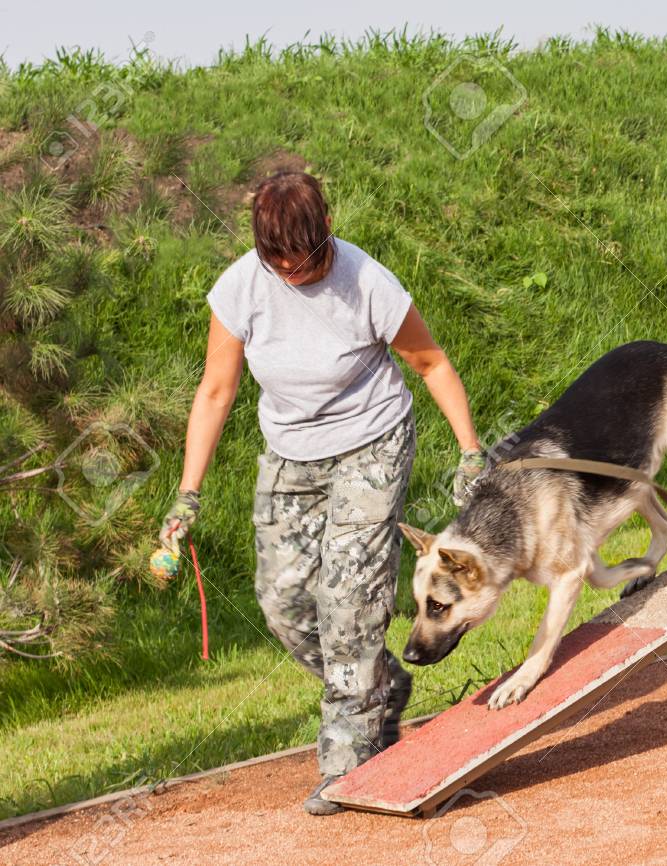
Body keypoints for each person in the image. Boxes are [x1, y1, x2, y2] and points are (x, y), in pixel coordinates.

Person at [157, 171, 484, 815]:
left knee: (349, 601)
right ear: (262, 250)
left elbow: (432, 363)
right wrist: (187, 494)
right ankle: (379, 684)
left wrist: (472, 451)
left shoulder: (368, 283)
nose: (294, 274)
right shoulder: (240, 289)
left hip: (372, 442)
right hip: (290, 455)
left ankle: (348, 756)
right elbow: (216, 392)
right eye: (279, 263)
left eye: (305, 261)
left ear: (324, 235)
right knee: (281, 603)